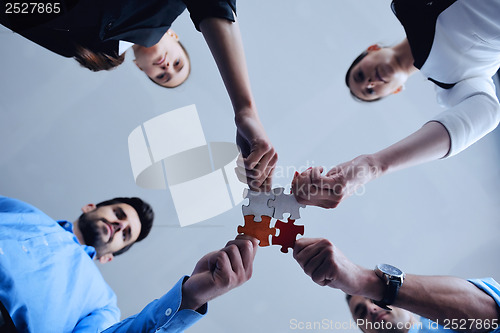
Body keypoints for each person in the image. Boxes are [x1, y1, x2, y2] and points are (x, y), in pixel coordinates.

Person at [0, 0, 277, 191]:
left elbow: (14, 10)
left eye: (163, 77)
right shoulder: (168, 6)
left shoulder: (82, 47)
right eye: (177, 63)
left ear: (140, 69)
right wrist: (245, 110)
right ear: (173, 36)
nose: (167, 67)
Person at [292, 0, 500, 209]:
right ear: (396, 90)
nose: (370, 82)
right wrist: (372, 166)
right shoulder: (455, 81)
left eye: (361, 75)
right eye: (370, 91)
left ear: (372, 49)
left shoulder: (407, 5)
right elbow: (487, 113)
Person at [0, 195, 257, 332]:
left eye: (126, 235)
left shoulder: (102, 303)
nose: (120, 225)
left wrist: (188, 298)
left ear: (107, 258)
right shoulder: (20, 210)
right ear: (89, 207)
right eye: (119, 214)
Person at [293, 237, 500, 333]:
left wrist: (368, 282)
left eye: (372, 299)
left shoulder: (445, 321)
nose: (371, 309)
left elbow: (492, 314)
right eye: (360, 313)